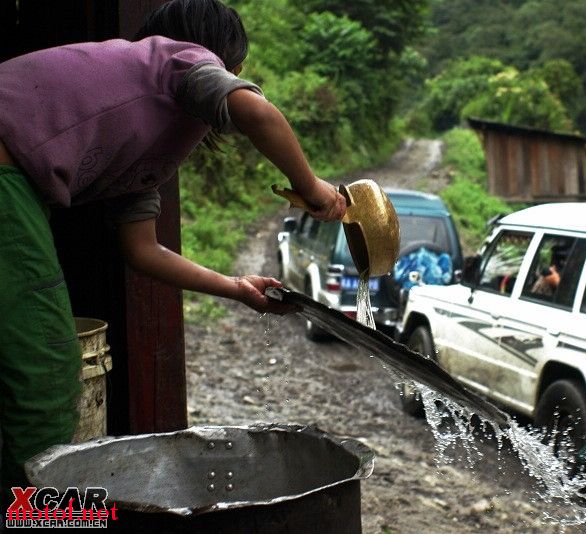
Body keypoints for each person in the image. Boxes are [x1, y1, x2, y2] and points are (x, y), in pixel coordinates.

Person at [0, 0, 346, 505]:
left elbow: (143, 249)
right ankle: (34, 516)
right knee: (47, 371)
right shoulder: (179, 59)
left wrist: (236, 288)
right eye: (237, 70)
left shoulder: (140, 136)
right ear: (228, 62)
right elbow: (255, 111)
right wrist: (314, 188)